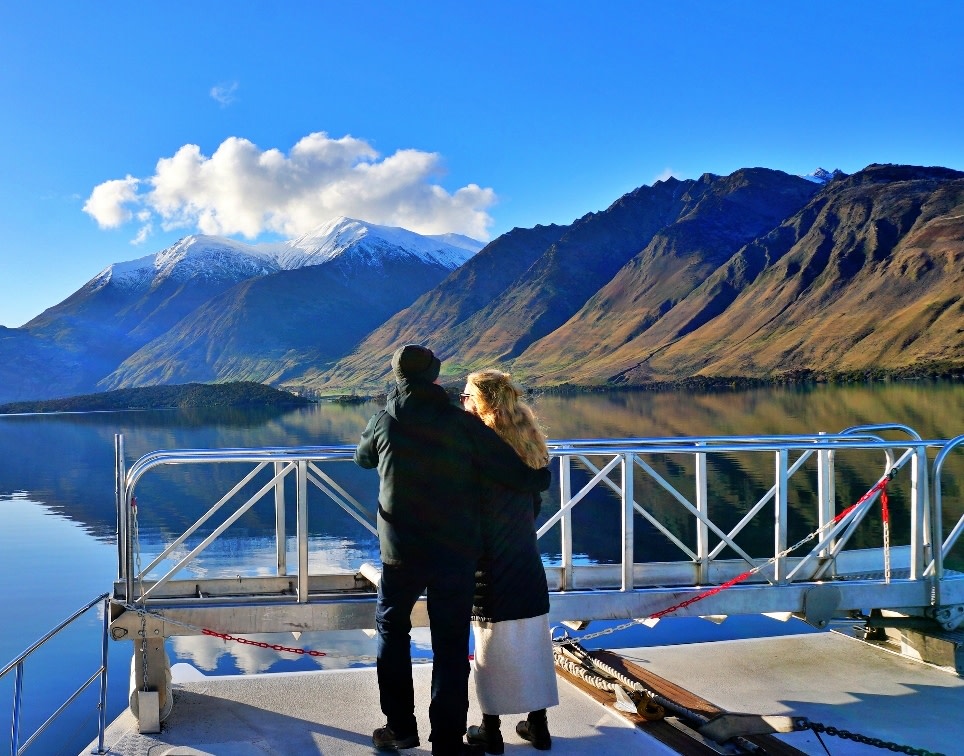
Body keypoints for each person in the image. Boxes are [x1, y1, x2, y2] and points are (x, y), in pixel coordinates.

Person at [354, 345, 552, 756]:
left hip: (400, 551)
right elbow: (516, 473)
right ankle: (447, 741)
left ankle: (400, 729)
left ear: (396, 377)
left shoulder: (384, 419)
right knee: (448, 644)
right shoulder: (461, 424)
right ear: (435, 377)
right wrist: (540, 478)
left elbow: (362, 459)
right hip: (454, 552)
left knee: (392, 633)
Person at [461, 369, 558, 753]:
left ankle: (491, 730)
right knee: (533, 641)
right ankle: (539, 727)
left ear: (483, 402)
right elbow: (531, 504)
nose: (463, 402)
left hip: (489, 561)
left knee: (490, 646)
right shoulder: (527, 442)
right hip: (525, 557)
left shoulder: (479, 447)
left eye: (468, 396)